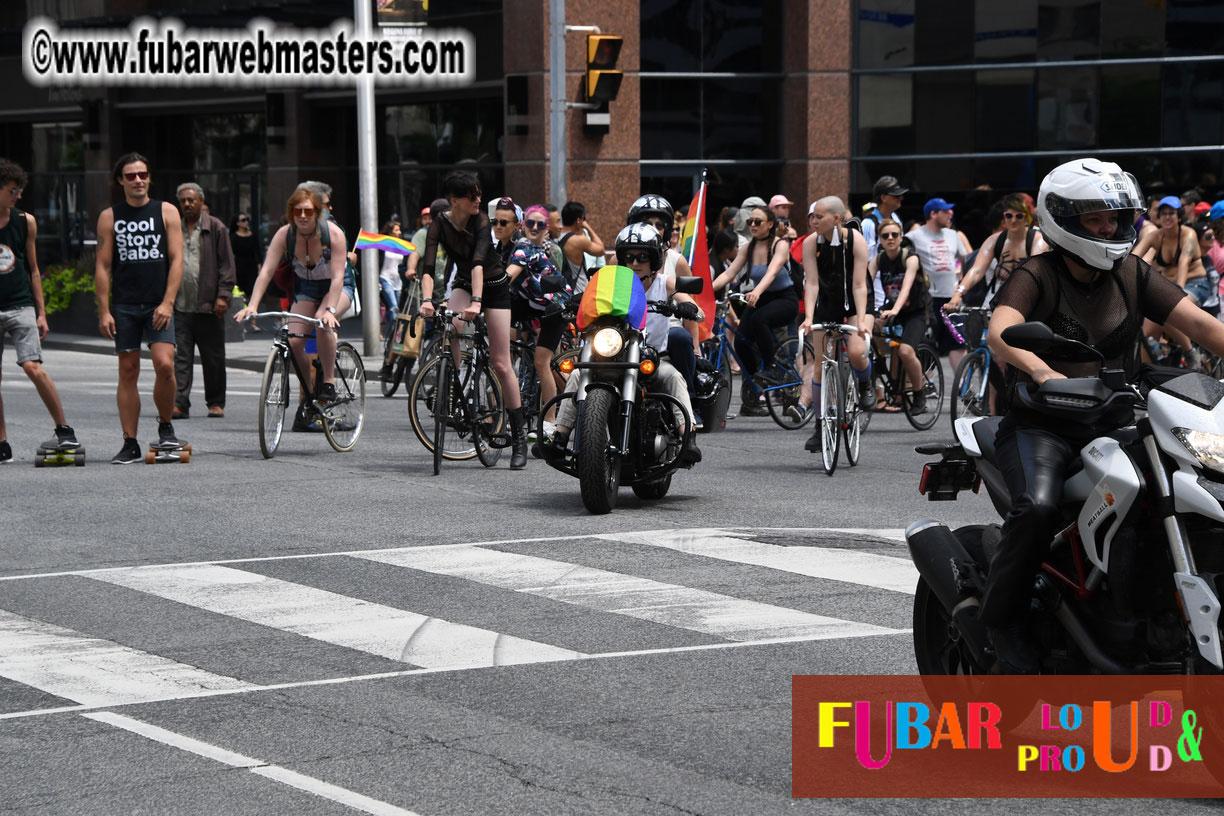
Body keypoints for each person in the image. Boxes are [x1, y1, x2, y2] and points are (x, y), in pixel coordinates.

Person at [981, 158, 1224, 673]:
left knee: (1192, 490)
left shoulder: (1131, 273)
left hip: (1118, 419)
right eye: (1094, 219)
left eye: (1114, 218)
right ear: (1062, 218)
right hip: (1044, 425)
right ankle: (1003, 621)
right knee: (1037, 507)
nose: (1108, 228)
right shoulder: (1037, 274)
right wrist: (1044, 373)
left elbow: (1201, 325)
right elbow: (1000, 331)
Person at [547, 223, 702, 464]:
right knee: (578, 375)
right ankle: (560, 437)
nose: (635, 263)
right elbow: (588, 295)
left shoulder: (665, 284)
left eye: (642, 257)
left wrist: (688, 307)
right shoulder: (611, 284)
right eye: (629, 257)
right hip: (612, 356)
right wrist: (567, 302)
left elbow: (689, 301)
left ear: (654, 260)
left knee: (673, 377)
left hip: (653, 358)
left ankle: (688, 438)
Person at [418, 170, 529, 469]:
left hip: (493, 287)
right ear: (455, 201)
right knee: (449, 328)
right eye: (473, 196)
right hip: (465, 283)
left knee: (501, 361)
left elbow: (479, 263)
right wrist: (427, 300)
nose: (479, 200)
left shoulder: (480, 221)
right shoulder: (439, 224)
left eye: (480, 194)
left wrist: (478, 302)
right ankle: (452, 391)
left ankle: (519, 436)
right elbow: (428, 267)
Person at [94, 152, 185, 463]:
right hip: (125, 305)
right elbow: (103, 267)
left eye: (142, 174)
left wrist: (168, 302)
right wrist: (104, 310)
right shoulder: (110, 217)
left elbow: (177, 260)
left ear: (149, 178)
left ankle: (166, 426)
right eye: (131, 176)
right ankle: (129, 441)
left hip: (159, 304)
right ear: (120, 180)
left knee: (165, 365)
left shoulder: (167, 211)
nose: (138, 180)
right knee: (128, 370)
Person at [233, 188, 346, 409]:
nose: (302, 216)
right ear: (291, 212)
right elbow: (265, 272)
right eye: (297, 211)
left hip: (337, 288)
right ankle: (309, 392)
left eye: (308, 211)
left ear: (317, 212)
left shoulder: (333, 234)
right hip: (306, 287)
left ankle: (329, 381)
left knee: (323, 323)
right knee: (294, 341)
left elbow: (338, 277)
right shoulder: (285, 235)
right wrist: (253, 305)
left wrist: (330, 310)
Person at [0, 159, 79, 463]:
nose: (18, 196)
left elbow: (33, 269)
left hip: (20, 304)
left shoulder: (25, 221)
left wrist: (42, 313)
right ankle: (3, 443)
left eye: (20, 191)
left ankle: (64, 429)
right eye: (12, 191)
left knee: (32, 366)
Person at [800, 196, 873, 453]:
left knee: (855, 350)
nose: (813, 221)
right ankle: (821, 426)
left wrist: (862, 320)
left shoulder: (856, 240)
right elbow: (811, 283)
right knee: (820, 365)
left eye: (819, 217)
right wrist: (809, 318)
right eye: (812, 216)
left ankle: (865, 383)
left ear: (836, 219)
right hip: (827, 300)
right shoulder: (810, 243)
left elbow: (859, 284)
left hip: (857, 300)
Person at [710, 205, 797, 418]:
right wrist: (704, 291)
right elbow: (729, 273)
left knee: (760, 319)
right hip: (759, 298)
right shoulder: (747, 248)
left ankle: (773, 367)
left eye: (758, 221)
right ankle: (755, 379)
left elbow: (772, 270)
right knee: (740, 340)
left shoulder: (780, 245)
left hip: (783, 298)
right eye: (750, 222)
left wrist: (756, 291)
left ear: (770, 224)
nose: (753, 225)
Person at [627, 195, 703, 421]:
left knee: (680, 337)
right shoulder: (620, 260)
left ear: (667, 229)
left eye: (659, 225)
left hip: (666, 324)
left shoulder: (677, 261)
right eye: (647, 223)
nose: (653, 229)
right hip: (626, 328)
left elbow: (689, 302)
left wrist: (696, 348)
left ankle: (688, 401)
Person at [171, 182, 235, 420]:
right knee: (181, 358)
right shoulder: (173, 227)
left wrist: (223, 295)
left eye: (191, 200)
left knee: (213, 358)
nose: (187, 204)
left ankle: (216, 402)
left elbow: (226, 265)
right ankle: (180, 403)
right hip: (179, 306)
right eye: (183, 201)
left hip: (209, 306)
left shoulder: (215, 227)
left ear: (201, 201)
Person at [507, 204, 571, 439]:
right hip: (535, 307)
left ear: (547, 229)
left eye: (540, 224)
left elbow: (508, 278)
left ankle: (550, 422)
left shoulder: (525, 250)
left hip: (555, 308)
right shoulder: (520, 247)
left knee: (542, 363)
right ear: (522, 226)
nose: (535, 227)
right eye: (530, 223)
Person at [1133, 195, 1212, 365]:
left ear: (1179, 216)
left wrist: (1176, 298)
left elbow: (1183, 264)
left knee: (1165, 310)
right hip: (1169, 286)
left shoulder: (1188, 234)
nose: (1167, 217)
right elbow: (1133, 259)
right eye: (1163, 213)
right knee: (1147, 335)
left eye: (1171, 213)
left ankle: (1190, 353)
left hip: (1195, 284)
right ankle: (1147, 375)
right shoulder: (1156, 236)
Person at [945, 194, 1049, 312]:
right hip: (996, 300)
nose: (1013, 220)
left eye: (1019, 216)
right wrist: (958, 294)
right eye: (1009, 216)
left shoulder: (1037, 240)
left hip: (1027, 300)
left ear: (1026, 218)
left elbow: (1035, 273)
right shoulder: (995, 240)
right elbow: (976, 271)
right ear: (1003, 218)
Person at [871, 221, 929, 413]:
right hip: (893, 307)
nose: (890, 238)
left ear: (900, 238)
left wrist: (894, 311)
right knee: (870, 328)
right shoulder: (878, 259)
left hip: (916, 310)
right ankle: (878, 366)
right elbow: (864, 285)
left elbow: (906, 287)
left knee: (905, 351)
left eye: (894, 235)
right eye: (885, 235)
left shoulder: (910, 258)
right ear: (879, 239)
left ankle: (919, 395)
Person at [908, 197, 970, 372]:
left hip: (952, 299)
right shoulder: (914, 236)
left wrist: (961, 284)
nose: (949, 214)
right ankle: (924, 383)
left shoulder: (953, 235)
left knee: (958, 342)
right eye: (945, 211)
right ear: (933, 214)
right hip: (927, 299)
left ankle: (962, 385)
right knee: (926, 343)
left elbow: (966, 260)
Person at [557, 201, 605, 292]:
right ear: (578, 220)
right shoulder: (579, 240)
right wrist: (587, 227)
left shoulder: (555, 237)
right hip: (578, 291)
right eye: (584, 218)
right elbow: (601, 249)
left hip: (561, 290)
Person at [229, 212, 262, 306]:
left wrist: (259, 267)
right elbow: (230, 254)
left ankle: (252, 314)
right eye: (243, 220)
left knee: (252, 291)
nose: (246, 222)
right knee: (240, 292)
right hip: (238, 268)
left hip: (251, 268)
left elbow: (257, 252)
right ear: (237, 223)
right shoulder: (233, 237)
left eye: (247, 219)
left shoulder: (252, 235)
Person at [377, 219, 405, 328]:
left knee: (396, 308)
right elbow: (376, 262)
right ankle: (394, 334)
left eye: (399, 230)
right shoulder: (383, 245)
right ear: (390, 232)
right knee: (393, 306)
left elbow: (403, 264)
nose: (400, 232)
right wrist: (376, 280)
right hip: (385, 278)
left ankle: (389, 330)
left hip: (397, 281)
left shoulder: (401, 246)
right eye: (397, 230)